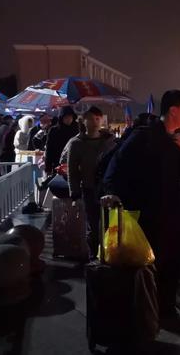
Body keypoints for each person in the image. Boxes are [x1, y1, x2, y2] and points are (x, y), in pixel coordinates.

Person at [103, 90, 180, 319]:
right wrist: (116, 196)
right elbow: (116, 169)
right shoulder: (144, 137)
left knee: (173, 265)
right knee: (153, 265)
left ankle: (165, 309)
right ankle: (149, 313)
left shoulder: (176, 139)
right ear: (173, 110)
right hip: (152, 217)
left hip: (174, 216)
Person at [66, 106, 115, 260]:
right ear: (83, 121)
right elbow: (72, 170)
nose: (95, 122)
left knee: (110, 225)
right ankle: (95, 257)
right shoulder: (76, 143)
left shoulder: (110, 141)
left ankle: (109, 255)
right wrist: (74, 193)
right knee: (93, 226)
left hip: (108, 190)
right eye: (91, 118)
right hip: (89, 189)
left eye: (98, 118)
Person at [44, 106, 79, 175]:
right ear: (61, 118)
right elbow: (49, 149)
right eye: (66, 117)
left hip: (75, 163)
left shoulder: (77, 129)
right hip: (58, 163)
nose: (68, 119)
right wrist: (48, 167)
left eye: (70, 117)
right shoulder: (54, 130)